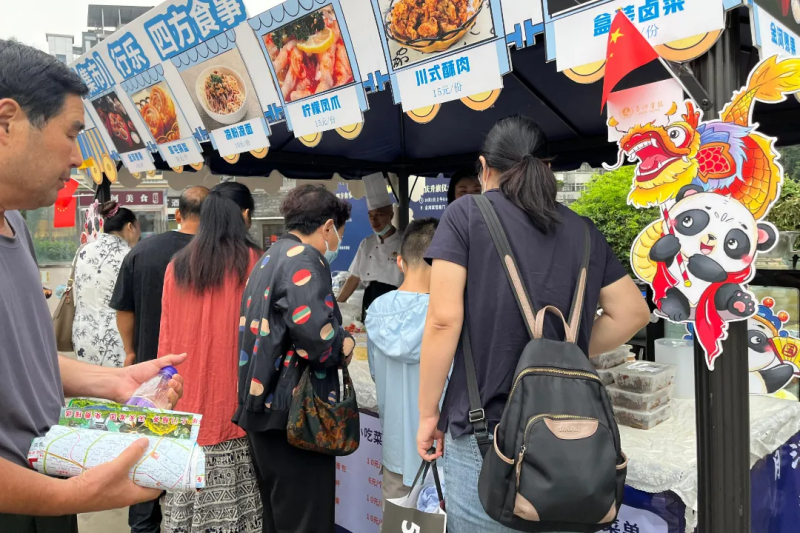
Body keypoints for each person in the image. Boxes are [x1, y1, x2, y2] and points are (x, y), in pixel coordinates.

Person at [416, 115, 650, 531]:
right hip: (569, 437)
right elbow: (633, 312)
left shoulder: (465, 214)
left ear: (484, 167)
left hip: (485, 432)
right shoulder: (582, 230)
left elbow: (442, 322)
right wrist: (565, 349)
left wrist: (427, 414)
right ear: (547, 166)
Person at [0, 39, 185, 531]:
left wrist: (113, 382)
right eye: (71, 133)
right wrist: (78, 493)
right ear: (7, 122)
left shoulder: (15, 224)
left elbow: (23, 361)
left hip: (45, 481)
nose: (79, 157)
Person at [236, 184, 356, 533]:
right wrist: (344, 343)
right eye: (339, 232)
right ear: (328, 227)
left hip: (264, 406)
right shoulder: (304, 258)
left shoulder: (271, 255)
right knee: (306, 520)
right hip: (294, 414)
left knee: (279, 518)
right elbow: (318, 341)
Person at [157, 182, 262, 533]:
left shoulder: (178, 265)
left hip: (183, 396)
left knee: (183, 508)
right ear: (243, 215)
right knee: (242, 510)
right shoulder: (252, 262)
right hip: (234, 400)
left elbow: (166, 334)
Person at [110, 186, 208, 533]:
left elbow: (124, 310)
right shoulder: (221, 255)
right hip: (202, 377)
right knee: (194, 455)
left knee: (146, 451)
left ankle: (143, 525)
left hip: (152, 373)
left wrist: (131, 351)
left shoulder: (142, 251)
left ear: (177, 214)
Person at [365, 218, 440, 504]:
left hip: (395, 451)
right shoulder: (448, 315)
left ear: (400, 262)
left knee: (397, 521)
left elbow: (375, 373)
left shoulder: (376, 310)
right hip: (440, 452)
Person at [72, 201, 140, 368]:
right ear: (130, 227)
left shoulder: (83, 251)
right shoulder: (130, 256)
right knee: (119, 383)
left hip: (84, 335)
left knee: (90, 382)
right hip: (118, 339)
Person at [337, 173, 404, 321]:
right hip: (369, 303)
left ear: (391, 215)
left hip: (396, 305)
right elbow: (354, 278)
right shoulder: (366, 243)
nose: (374, 220)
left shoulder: (404, 242)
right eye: (370, 215)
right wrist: (337, 305)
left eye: (379, 214)